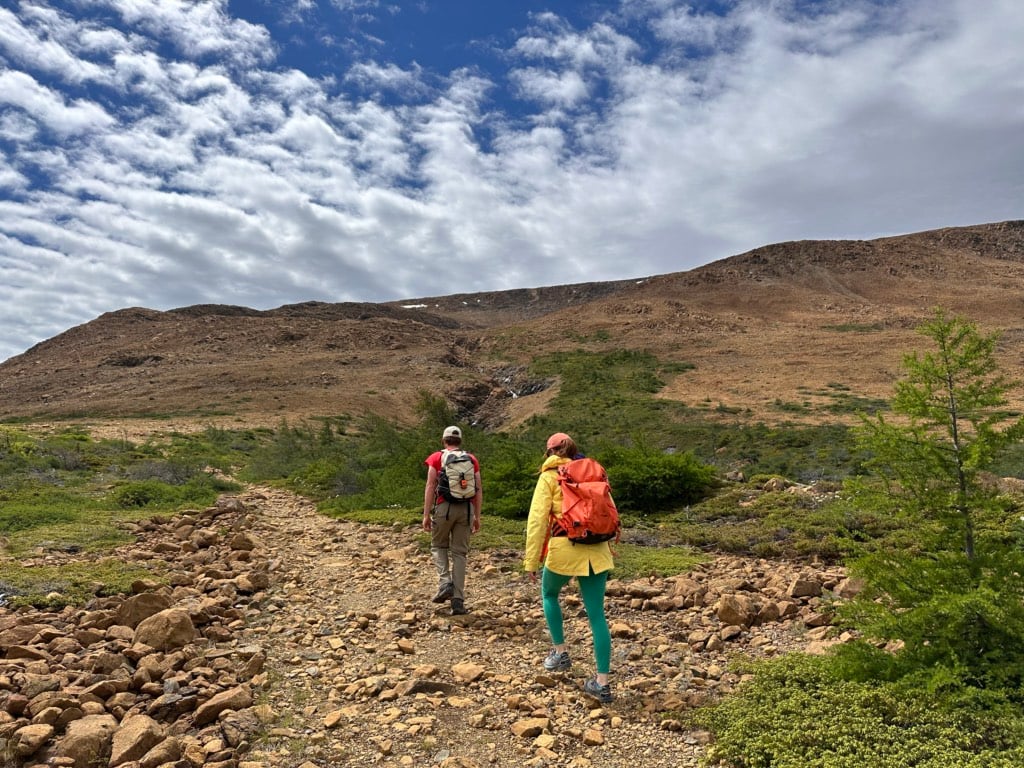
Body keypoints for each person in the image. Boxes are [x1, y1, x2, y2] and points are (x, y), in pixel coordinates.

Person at [523, 432, 615, 704]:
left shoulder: (549, 476)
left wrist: (531, 561)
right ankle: (602, 683)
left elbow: (537, 521)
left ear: (549, 452)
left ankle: (560, 652)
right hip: (597, 549)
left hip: (564, 549)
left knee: (550, 594)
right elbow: (609, 511)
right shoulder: (595, 472)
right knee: (597, 614)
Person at [423, 425, 482, 616]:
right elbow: (478, 489)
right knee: (459, 554)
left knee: (438, 545)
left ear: (444, 440)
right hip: (466, 509)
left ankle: (444, 582)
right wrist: (477, 516)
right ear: (460, 442)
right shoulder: (471, 459)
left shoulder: (436, 458)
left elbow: (431, 486)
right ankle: (458, 600)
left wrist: (425, 514)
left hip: (443, 508)